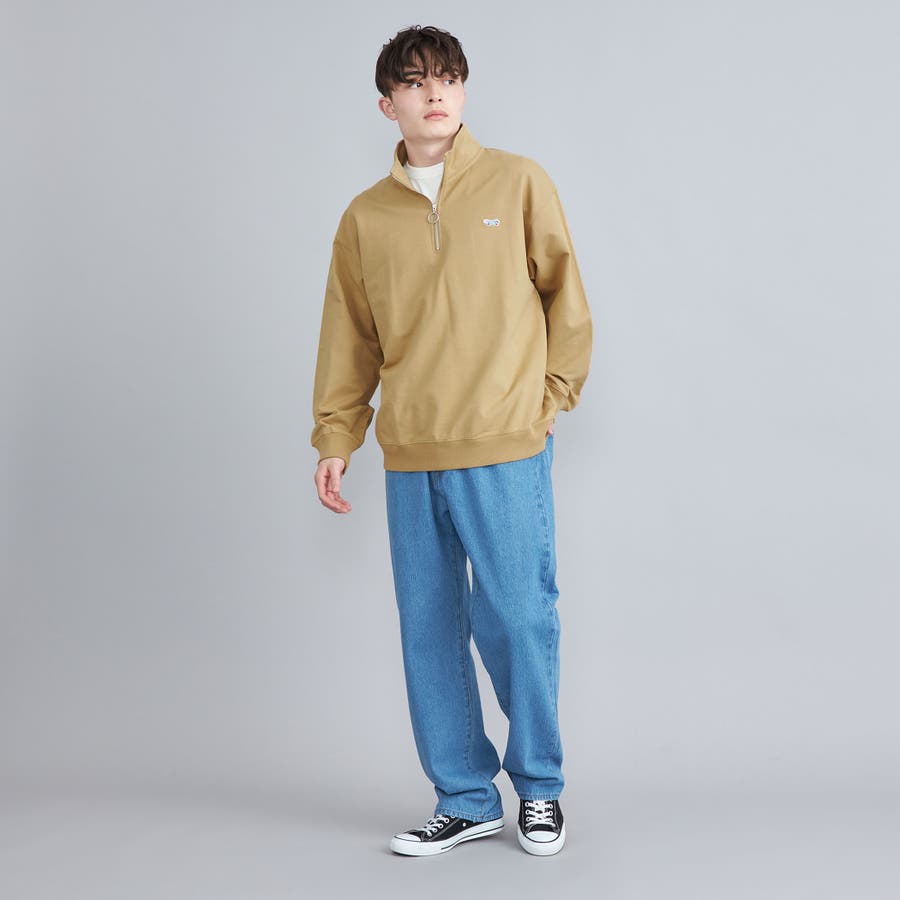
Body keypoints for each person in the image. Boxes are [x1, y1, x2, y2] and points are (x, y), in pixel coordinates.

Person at [311, 25, 593, 857]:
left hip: (505, 445)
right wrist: (337, 436)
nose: (434, 92)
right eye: (415, 81)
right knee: (429, 630)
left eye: (448, 78)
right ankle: (466, 797)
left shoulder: (518, 181)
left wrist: (550, 396)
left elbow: (566, 299)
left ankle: (539, 788)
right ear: (387, 104)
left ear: (463, 92)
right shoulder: (365, 218)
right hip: (412, 452)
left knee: (519, 619)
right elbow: (350, 337)